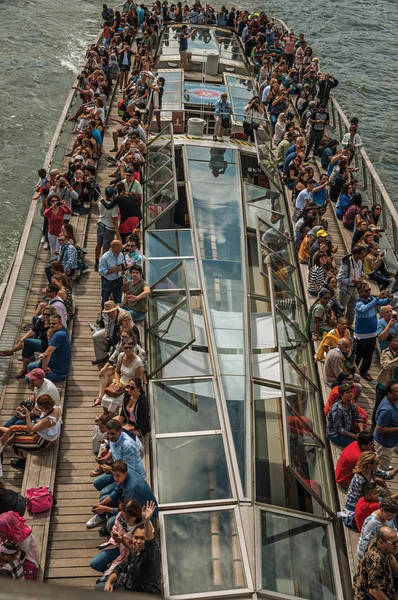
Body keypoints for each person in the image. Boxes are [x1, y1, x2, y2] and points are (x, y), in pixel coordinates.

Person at [96, 501, 160, 595]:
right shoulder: (134, 552)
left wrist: (146, 520)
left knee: (98, 588)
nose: (138, 541)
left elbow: (150, 543)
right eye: (136, 537)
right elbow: (119, 568)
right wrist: (109, 582)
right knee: (101, 585)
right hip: (124, 584)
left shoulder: (150, 555)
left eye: (142, 539)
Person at [88, 459, 158, 531]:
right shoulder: (125, 475)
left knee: (110, 523)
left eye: (117, 475)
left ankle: (113, 527)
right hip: (131, 506)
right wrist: (101, 504)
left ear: (125, 473)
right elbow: (117, 491)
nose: (115, 478)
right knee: (104, 499)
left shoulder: (131, 489)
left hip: (143, 515)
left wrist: (105, 508)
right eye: (113, 475)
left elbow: (126, 511)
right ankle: (102, 516)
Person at [0, 395, 62, 470]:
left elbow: (30, 429)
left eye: (39, 406)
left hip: (41, 441)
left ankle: (21, 461)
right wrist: (31, 408)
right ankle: (3, 440)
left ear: (43, 407)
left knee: (14, 442)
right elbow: (39, 414)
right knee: (12, 428)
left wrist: (27, 415)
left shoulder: (48, 420)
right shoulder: (55, 408)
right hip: (42, 433)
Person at [354, 283, 390, 382]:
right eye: (366, 290)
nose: (369, 292)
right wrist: (376, 299)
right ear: (360, 292)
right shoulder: (359, 303)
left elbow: (381, 302)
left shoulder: (371, 300)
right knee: (358, 355)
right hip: (361, 336)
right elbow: (364, 309)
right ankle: (352, 372)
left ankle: (364, 370)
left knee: (368, 355)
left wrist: (388, 299)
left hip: (372, 334)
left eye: (370, 290)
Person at [353, 527, 398, 600]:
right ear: (381, 543)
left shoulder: (377, 542)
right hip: (368, 595)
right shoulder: (376, 561)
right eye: (393, 543)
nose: (397, 545)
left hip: (381, 583)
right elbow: (374, 591)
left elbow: (390, 557)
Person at [27, 314, 71, 383]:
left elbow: (47, 354)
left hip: (57, 372)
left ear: (60, 323)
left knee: (28, 378)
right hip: (57, 365)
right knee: (30, 366)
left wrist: (44, 368)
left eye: (54, 323)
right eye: (50, 323)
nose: (51, 325)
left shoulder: (58, 335)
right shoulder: (63, 331)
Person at [0, 511, 39, 579]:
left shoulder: (24, 538)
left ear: (9, 528)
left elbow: (20, 556)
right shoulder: (7, 534)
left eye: (1, 532)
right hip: (11, 556)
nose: (0, 534)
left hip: (25, 557)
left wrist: (5, 565)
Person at [325, 382, 363, 447]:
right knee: (358, 445)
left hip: (347, 429)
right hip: (336, 435)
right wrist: (354, 436)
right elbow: (339, 429)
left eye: (351, 392)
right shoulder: (337, 409)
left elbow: (357, 417)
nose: (350, 394)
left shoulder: (351, 404)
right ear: (341, 394)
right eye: (347, 392)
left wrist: (361, 431)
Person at [337, 245, 366, 327]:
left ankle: (348, 325)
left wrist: (363, 276)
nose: (363, 255)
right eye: (362, 254)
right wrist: (352, 280)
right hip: (346, 289)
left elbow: (359, 272)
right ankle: (339, 325)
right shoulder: (346, 264)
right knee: (341, 308)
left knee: (352, 308)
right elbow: (339, 278)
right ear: (356, 254)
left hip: (355, 288)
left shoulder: (360, 261)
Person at [374, 335, 398, 426]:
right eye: (396, 341)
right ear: (389, 342)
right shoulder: (385, 353)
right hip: (384, 385)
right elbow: (387, 365)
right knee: (379, 406)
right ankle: (374, 425)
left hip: (396, 386)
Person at [374, 381, 398, 470]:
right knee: (381, 465)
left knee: (385, 459)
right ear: (389, 393)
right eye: (396, 391)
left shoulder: (392, 400)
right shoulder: (386, 410)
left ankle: (385, 465)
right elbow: (379, 429)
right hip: (384, 443)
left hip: (391, 441)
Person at [95, 186, 120, 271]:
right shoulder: (113, 207)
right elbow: (115, 222)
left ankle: (97, 261)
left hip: (100, 224)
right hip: (109, 229)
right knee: (106, 248)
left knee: (99, 244)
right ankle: (103, 264)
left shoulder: (100, 202)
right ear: (113, 194)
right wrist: (118, 235)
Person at [98, 239, 125, 308]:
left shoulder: (120, 255)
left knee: (118, 300)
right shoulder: (105, 257)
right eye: (120, 247)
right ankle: (104, 315)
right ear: (116, 248)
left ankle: (117, 315)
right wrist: (114, 270)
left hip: (118, 280)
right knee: (105, 300)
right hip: (107, 281)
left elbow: (122, 263)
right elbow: (101, 271)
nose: (122, 248)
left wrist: (123, 269)